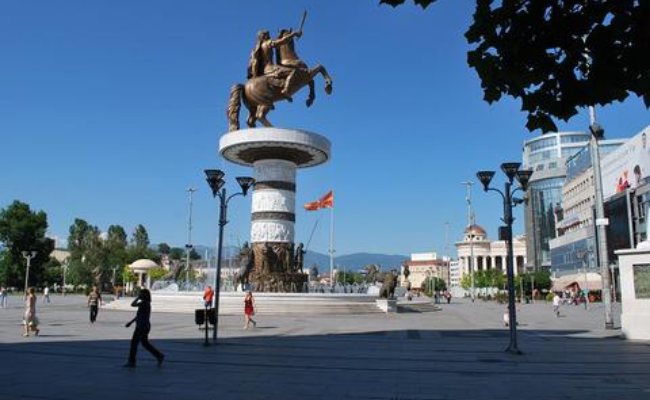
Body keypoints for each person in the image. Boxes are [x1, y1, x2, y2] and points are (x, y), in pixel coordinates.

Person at [124, 289, 164, 368]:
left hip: (142, 327)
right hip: (143, 326)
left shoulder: (144, 303)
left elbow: (132, 304)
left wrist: (138, 298)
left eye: (141, 294)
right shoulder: (146, 303)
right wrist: (131, 322)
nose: (139, 294)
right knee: (144, 344)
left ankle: (131, 362)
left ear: (144, 295)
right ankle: (159, 355)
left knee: (134, 344)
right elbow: (139, 316)